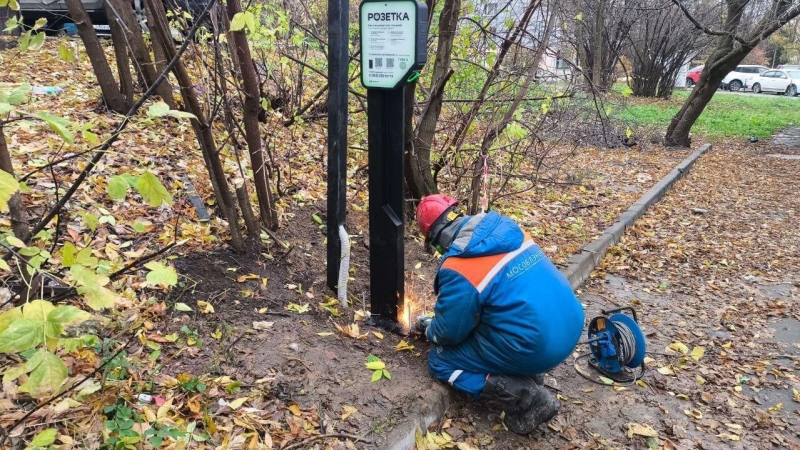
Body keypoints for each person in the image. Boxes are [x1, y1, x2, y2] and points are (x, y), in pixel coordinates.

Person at [415, 194, 585, 434]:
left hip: (539, 347)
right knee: (500, 317)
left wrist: (430, 329)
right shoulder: (509, 229)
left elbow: (449, 333)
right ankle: (528, 372)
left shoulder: (459, 267)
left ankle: (527, 397)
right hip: (571, 323)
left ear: (436, 238)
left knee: (440, 360)